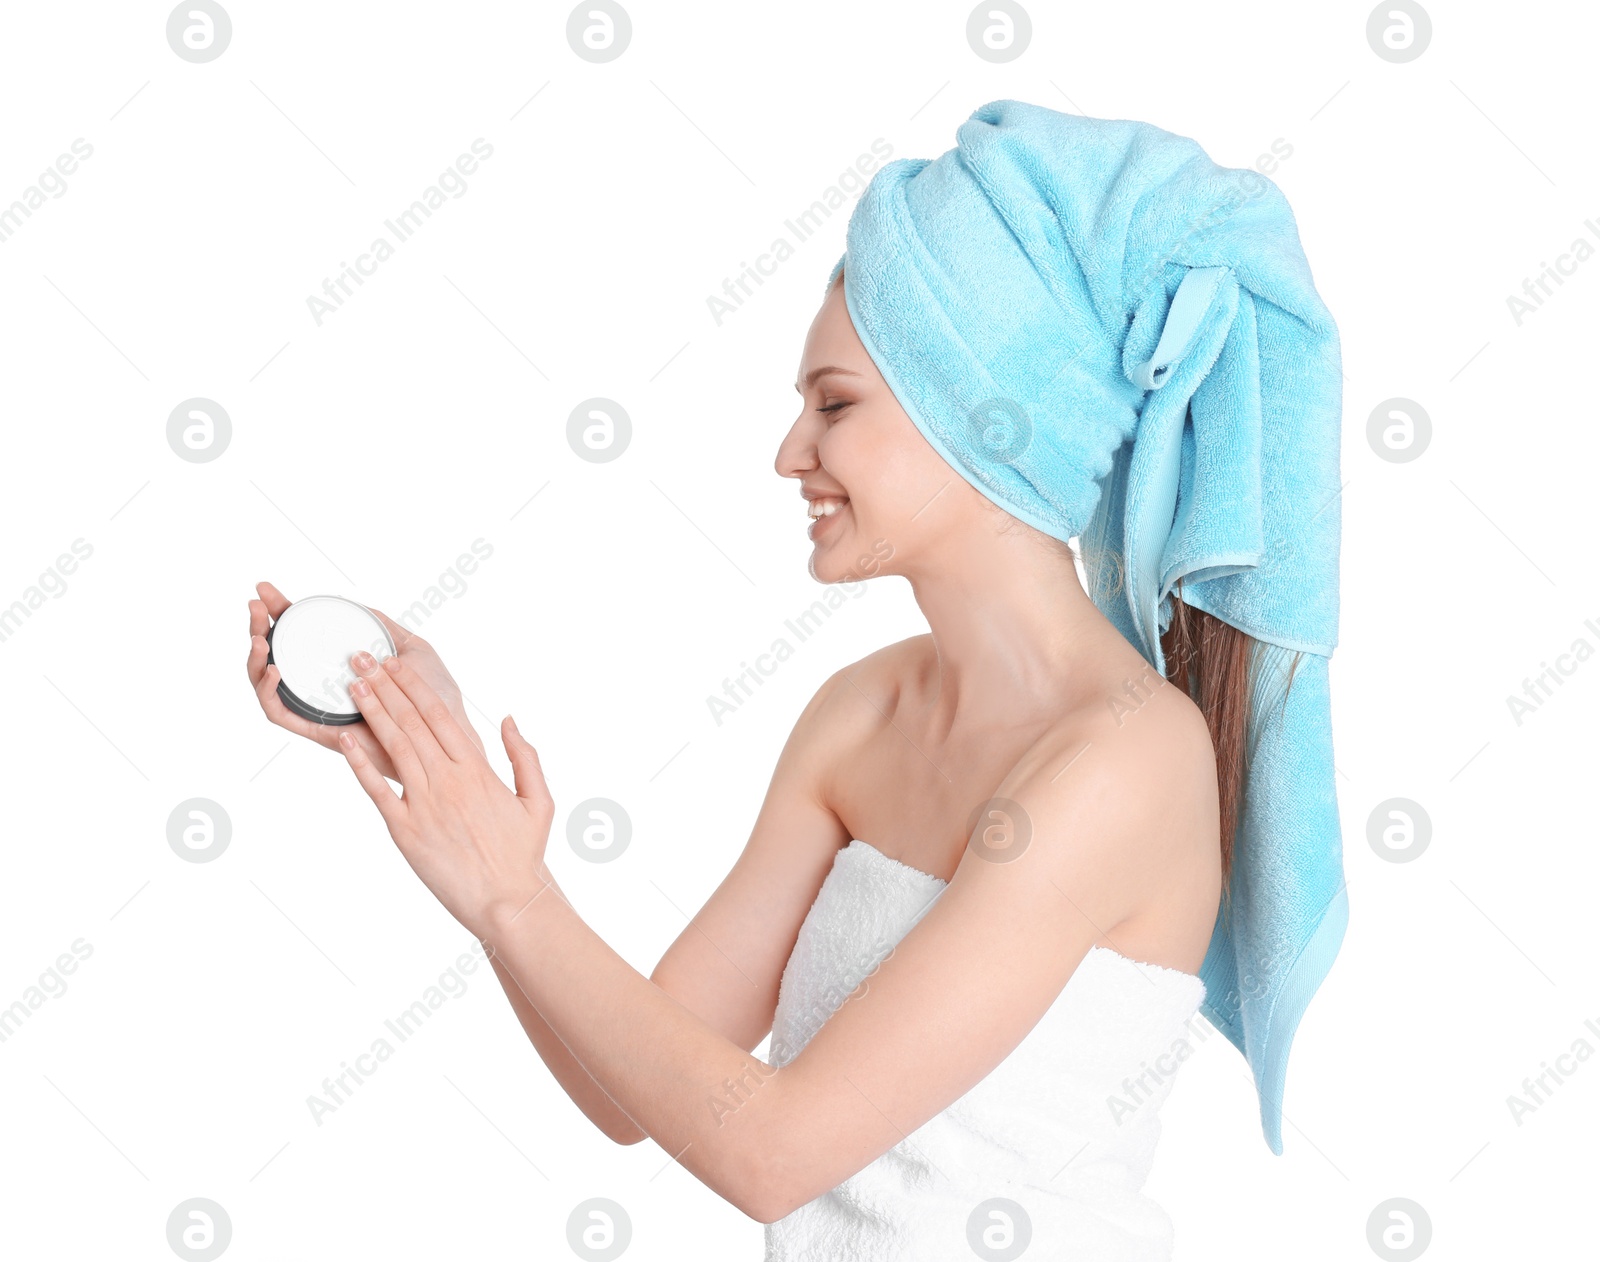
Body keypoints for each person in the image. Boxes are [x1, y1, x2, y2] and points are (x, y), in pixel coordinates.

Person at [246, 100, 1344, 1259]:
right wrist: (450, 780)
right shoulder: (861, 712)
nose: (789, 452)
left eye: (835, 403)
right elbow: (632, 1086)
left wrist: (511, 895)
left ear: (980, 420)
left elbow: (770, 1153)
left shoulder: (1128, 756)